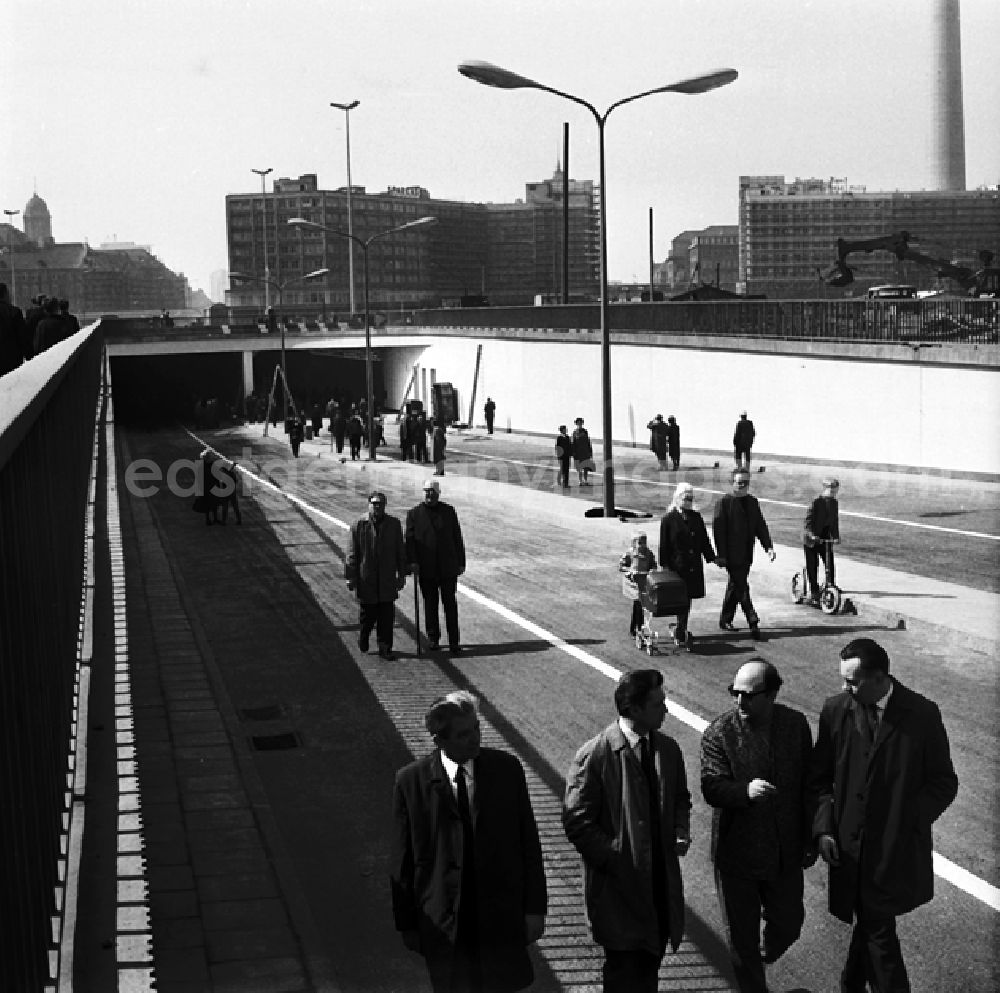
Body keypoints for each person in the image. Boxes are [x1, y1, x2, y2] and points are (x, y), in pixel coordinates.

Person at [810, 638, 958, 993]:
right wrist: (823, 829)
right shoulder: (835, 710)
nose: (845, 688)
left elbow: (943, 782)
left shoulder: (922, 714)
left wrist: (908, 821)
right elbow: (819, 779)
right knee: (874, 926)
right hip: (848, 849)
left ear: (879, 678)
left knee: (877, 928)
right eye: (844, 680)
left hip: (893, 851)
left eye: (853, 681)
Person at [390, 690, 547, 993]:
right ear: (439, 741)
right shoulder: (411, 782)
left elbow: (528, 843)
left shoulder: (506, 770)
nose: (474, 738)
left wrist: (534, 908)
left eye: (476, 728)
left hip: (499, 917)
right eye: (463, 734)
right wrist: (407, 923)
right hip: (447, 923)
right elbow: (403, 858)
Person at [563, 669, 691, 993]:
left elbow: (680, 799)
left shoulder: (669, 750)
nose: (666, 709)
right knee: (624, 973)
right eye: (658, 703)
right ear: (633, 709)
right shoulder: (595, 755)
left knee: (649, 967)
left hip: (659, 888)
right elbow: (577, 820)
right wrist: (618, 858)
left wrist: (679, 828)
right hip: (618, 894)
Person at [701, 659, 817, 993]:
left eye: (749, 695)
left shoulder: (795, 725)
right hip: (737, 857)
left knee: (789, 924)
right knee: (742, 940)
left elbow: (808, 784)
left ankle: (767, 952)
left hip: (784, 852)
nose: (740, 702)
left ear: (773, 694)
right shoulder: (719, 733)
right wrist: (744, 791)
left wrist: (810, 837)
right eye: (735, 694)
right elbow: (711, 786)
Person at [712, 468, 776, 640]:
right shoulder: (724, 503)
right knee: (741, 586)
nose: (742, 486)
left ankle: (725, 619)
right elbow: (719, 532)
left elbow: (760, 526)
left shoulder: (753, 502)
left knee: (736, 585)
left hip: (747, 553)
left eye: (745, 482)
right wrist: (721, 555)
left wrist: (768, 547)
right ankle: (752, 618)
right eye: (739, 482)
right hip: (731, 555)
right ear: (732, 482)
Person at [345, 490, 408, 660]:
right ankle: (364, 636)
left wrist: (402, 574)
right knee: (368, 616)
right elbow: (352, 553)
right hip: (367, 580)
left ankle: (385, 647)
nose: (377, 507)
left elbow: (400, 552)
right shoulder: (358, 525)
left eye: (380, 503)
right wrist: (351, 576)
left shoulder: (394, 524)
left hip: (387, 579)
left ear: (385, 506)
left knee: (387, 617)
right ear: (369, 505)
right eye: (374, 503)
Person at [406, 479, 466, 653]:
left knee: (450, 605)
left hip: (447, 567)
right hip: (426, 568)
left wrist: (461, 561)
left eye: (432, 491)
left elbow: (457, 537)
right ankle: (433, 638)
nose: (429, 494)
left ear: (438, 493)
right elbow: (409, 542)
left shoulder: (448, 511)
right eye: (426, 491)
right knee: (430, 604)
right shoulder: (414, 514)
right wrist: (412, 562)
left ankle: (454, 641)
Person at [658, 482, 719, 646]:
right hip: (677, 566)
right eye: (686, 498)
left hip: (693, 565)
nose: (688, 501)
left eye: (690, 498)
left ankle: (681, 627)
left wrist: (712, 558)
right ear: (677, 498)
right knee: (680, 599)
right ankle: (680, 628)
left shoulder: (696, 517)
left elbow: (704, 541)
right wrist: (664, 567)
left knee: (688, 598)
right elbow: (664, 546)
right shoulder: (668, 520)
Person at [803, 477, 841, 605]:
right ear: (825, 489)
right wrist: (812, 535)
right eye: (831, 490)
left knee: (829, 561)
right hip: (812, 538)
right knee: (813, 565)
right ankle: (813, 589)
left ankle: (831, 585)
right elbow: (808, 522)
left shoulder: (834, 503)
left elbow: (834, 521)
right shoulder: (816, 502)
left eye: (835, 491)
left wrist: (836, 536)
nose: (833, 493)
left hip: (824, 535)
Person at [619, 533, 656, 637]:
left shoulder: (648, 553)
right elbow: (621, 566)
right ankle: (638, 627)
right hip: (634, 583)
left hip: (644, 582)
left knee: (641, 604)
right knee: (638, 603)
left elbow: (653, 564)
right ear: (634, 544)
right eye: (640, 543)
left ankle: (636, 627)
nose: (642, 545)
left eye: (644, 543)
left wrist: (652, 570)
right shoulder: (630, 553)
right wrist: (629, 571)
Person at [0, 283, 28, 376]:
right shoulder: (14, 312)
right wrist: (29, 357)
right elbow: (23, 338)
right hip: (11, 361)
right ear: (5, 295)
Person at [572, 417, 595, 486]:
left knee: (586, 467)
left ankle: (585, 480)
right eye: (578, 423)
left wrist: (590, 451)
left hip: (585, 452)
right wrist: (574, 453)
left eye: (581, 423)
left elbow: (588, 442)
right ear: (576, 424)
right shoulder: (574, 433)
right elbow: (573, 443)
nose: (580, 424)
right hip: (578, 453)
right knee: (579, 467)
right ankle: (580, 480)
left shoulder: (585, 432)